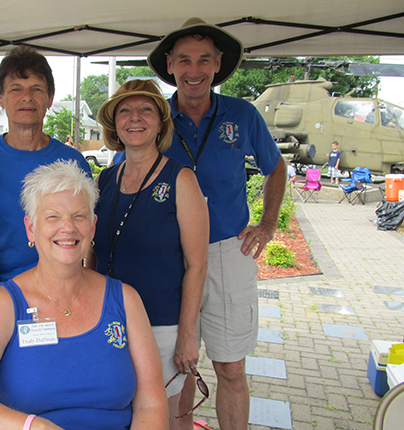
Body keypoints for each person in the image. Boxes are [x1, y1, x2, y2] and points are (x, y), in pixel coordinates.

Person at [0, 160, 168, 430]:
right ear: (31, 228)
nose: (67, 227)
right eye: (53, 217)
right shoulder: (1, 307)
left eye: (78, 216)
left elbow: (151, 405)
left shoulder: (125, 301)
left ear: (92, 227)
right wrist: (34, 427)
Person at [147, 17, 287, 430]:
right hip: (171, 258)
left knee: (230, 370)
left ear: (218, 63)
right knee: (178, 369)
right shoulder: (154, 116)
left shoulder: (241, 114)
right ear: (170, 64)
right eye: (185, 60)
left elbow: (275, 168)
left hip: (228, 251)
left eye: (204, 60)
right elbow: (127, 175)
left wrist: (268, 224)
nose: (194, 70)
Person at [90, 79, 209, 429]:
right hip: (111, 322)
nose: (135, 118)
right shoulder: (105, 180)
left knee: (166, 419)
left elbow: (197, 264)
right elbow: (94, 257)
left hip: (162, 325)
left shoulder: (180, 179)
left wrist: (187, 334)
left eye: (145, 109)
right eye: (125, 110)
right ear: (115, 123)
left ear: (160, 121)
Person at [0, 46, 91, 282]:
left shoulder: (73, 162)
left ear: (50, 99)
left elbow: (86, 236)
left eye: (36, 89)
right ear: (0, 98)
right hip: (1, 290)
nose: (26, 97)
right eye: (16, 89)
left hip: (62, 289)